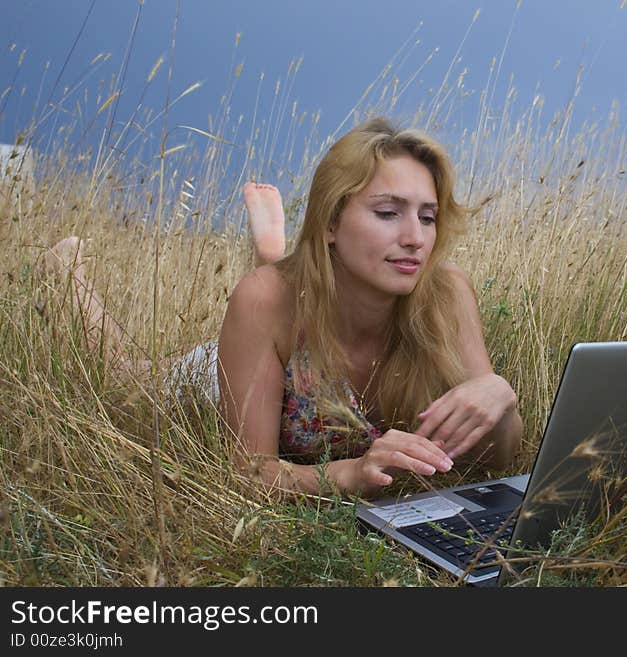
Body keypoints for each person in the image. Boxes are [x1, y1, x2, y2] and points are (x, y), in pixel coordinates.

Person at [38, 117, 523, 499]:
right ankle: (65, 271)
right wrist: (351, 473)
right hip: (222, 369)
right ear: (331, 221)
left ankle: (275, 258)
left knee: (280, 292)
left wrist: (499, 396)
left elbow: (499, 458)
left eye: (428, 217)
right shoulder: (262, 302)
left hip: (298, 328)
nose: (415, 238)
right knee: (129, 375)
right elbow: (247, 473)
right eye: (387, 213)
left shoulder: (446, 293)